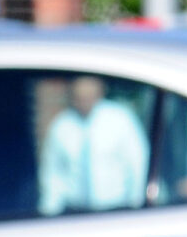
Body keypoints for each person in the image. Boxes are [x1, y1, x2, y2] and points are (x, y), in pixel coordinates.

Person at [37, 75, 147, 215]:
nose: (84, 103)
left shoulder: (120, 119)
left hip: (116, 210)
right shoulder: (61, 126)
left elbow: (138, 164)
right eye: (79, 98)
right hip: (75, 212)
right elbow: (53, 173)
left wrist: (137, 208)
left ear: (99, 93)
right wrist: (48, 213)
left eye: (88, 97)